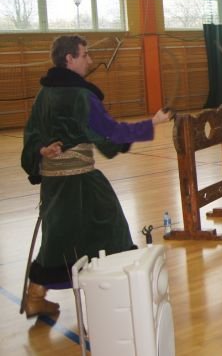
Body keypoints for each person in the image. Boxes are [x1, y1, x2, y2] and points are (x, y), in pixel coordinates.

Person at [21, 35, 172, 317]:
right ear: (69, 59)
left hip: (53, 184)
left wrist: (41, 149)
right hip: (81, 182)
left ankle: (35, 295)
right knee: (111, 228)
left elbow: (31, 133)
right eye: (85, 55)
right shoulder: (81, 96)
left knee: (58, 236)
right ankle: (112, 295)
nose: (90, 60)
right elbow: (110, 133)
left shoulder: (44, 94)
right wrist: (151, 123)